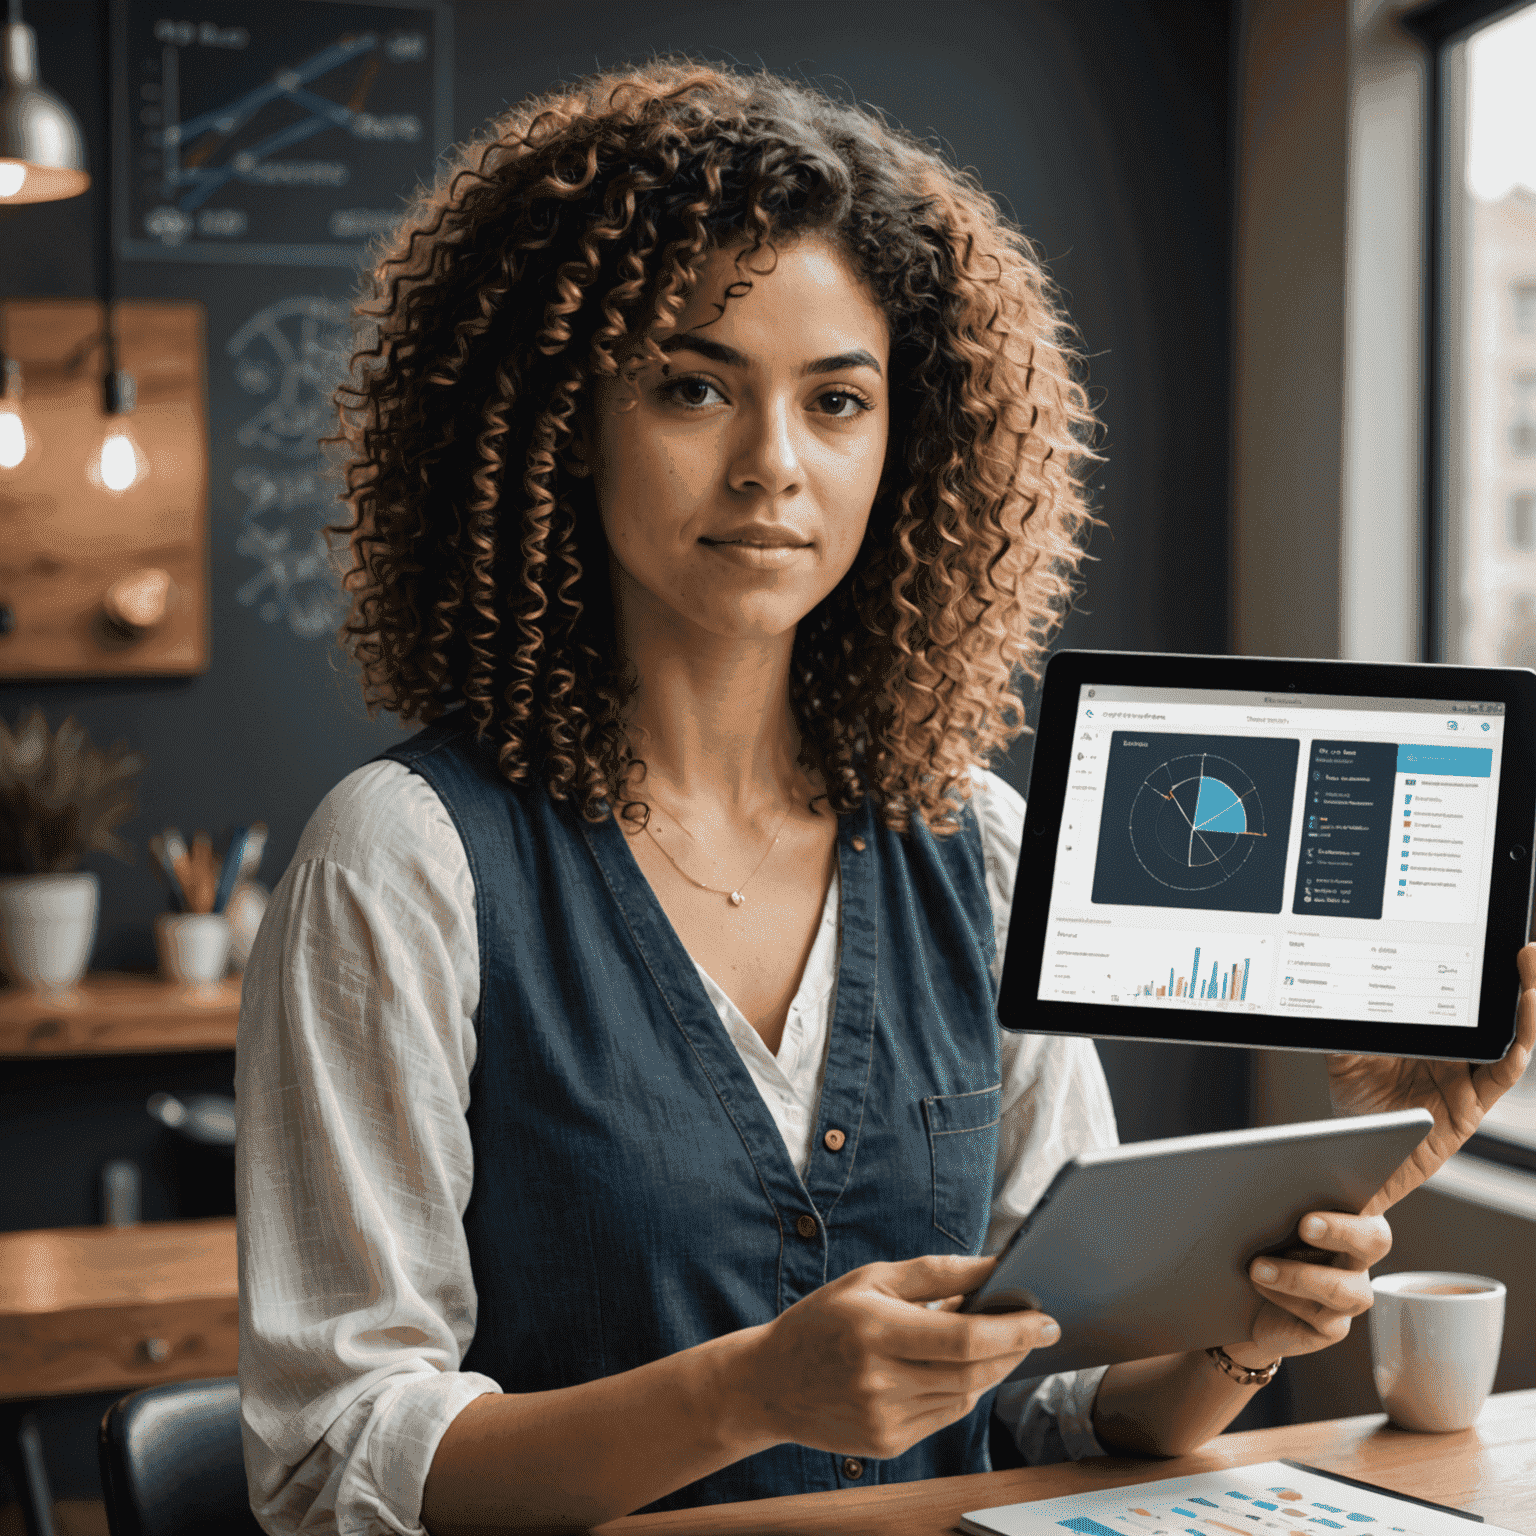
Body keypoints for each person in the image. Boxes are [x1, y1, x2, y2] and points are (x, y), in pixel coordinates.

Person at [233, 56, 1536, 1536]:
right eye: (691, 386)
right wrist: (750, 1394)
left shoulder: (975, 845)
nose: (772, 466)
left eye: (837, 401)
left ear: (903, 451)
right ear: (557, 424)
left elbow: (1052, 1399)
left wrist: (1263, 1305)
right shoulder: (403, 864)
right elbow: (332, 1466)